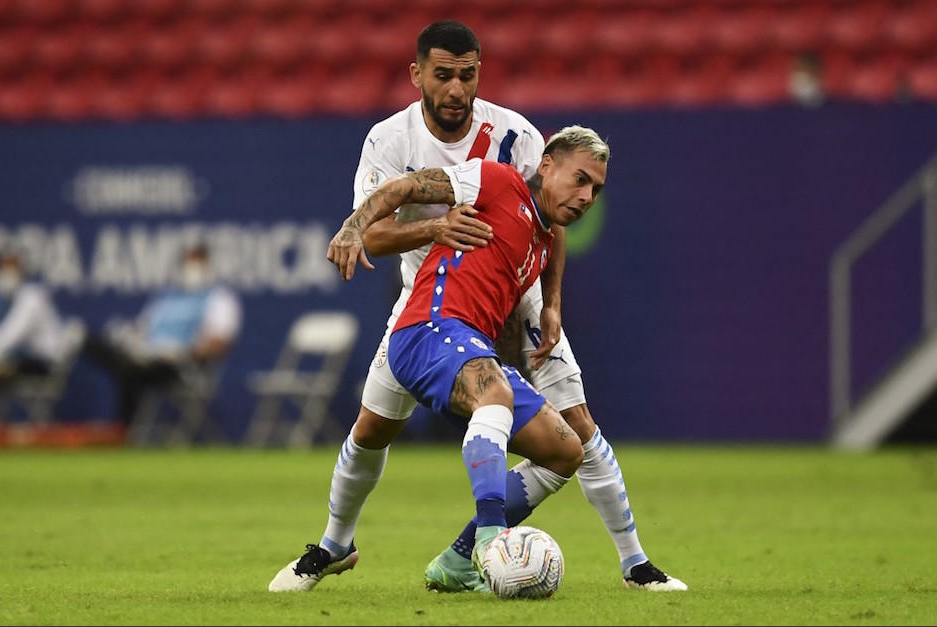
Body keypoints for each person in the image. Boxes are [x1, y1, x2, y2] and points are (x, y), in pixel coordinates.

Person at [268, 20, 685, 593]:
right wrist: (436, 228)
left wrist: (554, 303)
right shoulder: (389, 141)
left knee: (575, 430)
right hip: (431, 301)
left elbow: (550, 216)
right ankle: (336, 544)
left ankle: (633, 563)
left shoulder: (517, 136)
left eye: (468, 76)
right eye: (444, 76)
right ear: (417, 75)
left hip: (518, 296)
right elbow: (376, 231)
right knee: (371, 430)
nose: (457, 90)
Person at [271, 124, 606, 594]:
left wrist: (552, 305)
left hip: (463, 345)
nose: (588, 195)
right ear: (546, 166)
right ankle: (492, 542)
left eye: (596, 188)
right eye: (580, 179)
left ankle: (455, 560)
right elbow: (408, 186)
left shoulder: (542, 239)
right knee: (489, 394)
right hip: (425, 327)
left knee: (565, 450)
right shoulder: (498, 180)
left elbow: (551, 252)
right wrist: (354, 226)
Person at [83, 243, 242, 427]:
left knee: (130, 373)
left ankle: (123, 431)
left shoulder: (219, 298)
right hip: (148, 358)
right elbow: (142, 328)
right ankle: (123, 428)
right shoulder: (167, 298)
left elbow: (220, 342)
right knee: (111, 354)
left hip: (183, 366)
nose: (192, 269)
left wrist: (185, 352)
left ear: (208, 265)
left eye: (197, 262)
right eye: (189, 262)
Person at [0, 249, 69, 386]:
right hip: (29, 357)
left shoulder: (31, 298)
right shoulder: (11, 299)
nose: (7, 274)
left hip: (45, 362)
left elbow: (11, 335)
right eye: (3, 269)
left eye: (12, 269)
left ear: (21, 271)